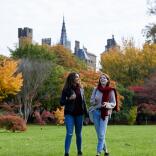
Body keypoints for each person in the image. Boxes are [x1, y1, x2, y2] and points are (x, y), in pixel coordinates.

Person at [60, 72, 88, 156]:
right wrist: (69, 98)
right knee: (69, 133)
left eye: (78, 77)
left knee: (78, 134)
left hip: (79, 114)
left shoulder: (81, 89)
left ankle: (79, 151)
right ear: (72, 78)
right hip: (69, 114)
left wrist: (87, 115)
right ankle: (66, 153)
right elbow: (61, 102)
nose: (78, 78)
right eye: (76, 77)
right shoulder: (66, 89)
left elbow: (84, 102)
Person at [90, 73, 118, 156]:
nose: (102, 79)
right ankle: (106, 151)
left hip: (105, 113)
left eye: (104, 78)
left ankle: (98, 152)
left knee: (101, 134)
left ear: (107, 80)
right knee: (100, 134)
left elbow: (114, 103)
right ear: (99, 80)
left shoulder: (111, 90)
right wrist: (94, 101)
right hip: (95, 112)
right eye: (101, 78)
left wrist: (107, 104)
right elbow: (91, 101)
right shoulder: (96, 89)